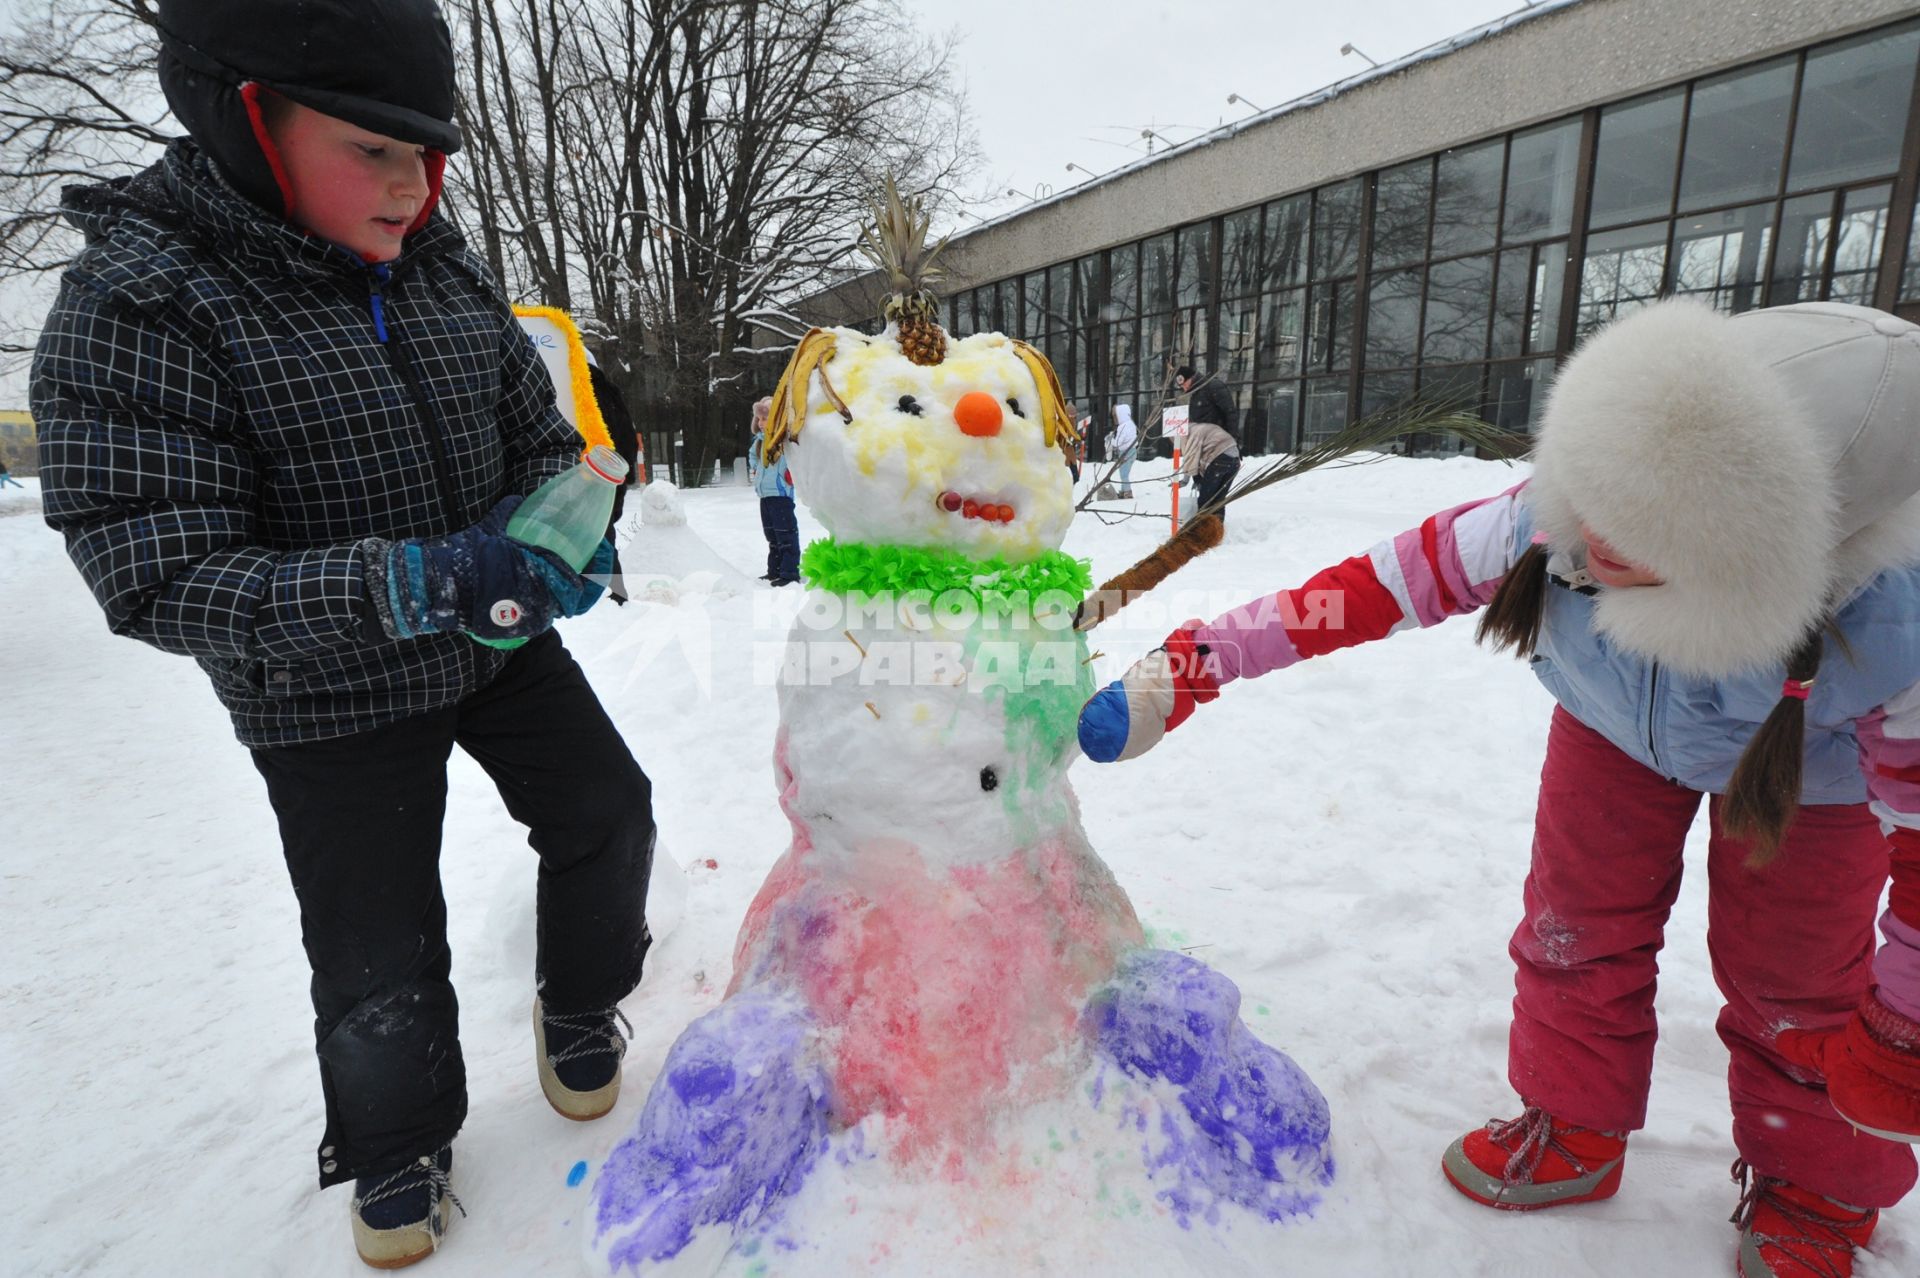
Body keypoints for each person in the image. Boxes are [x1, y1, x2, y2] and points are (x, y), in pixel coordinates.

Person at [1080, 300, 1920, 1278]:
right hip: (1612, 733)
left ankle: (1817, 1178)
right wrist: (1195, 664)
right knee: (1574, 929)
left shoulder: (1890, 629)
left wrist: (1901, 1034)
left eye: (1650, 525)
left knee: (1796, 981)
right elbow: (1371, 588)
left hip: (1809, 781)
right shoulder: (1554, 515)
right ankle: (1573, 1114)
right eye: (1600, 489)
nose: (1594, 534)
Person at [31, 0, 656, 1267]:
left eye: (430, 154)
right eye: (373, 147)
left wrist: (568, 530)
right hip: (318, 691)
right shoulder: (140, 300)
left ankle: (581, 1001)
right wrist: (415, 583)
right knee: (376, 947)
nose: (412, 186)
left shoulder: (440, 261)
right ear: (246, 116)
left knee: (609, 808)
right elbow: (160, 571)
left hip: (491, 639)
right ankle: (396, 1139)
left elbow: (534, 435)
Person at [748, 395, 800, 585]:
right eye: (759, 419)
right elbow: (752, 456)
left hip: (781, 495)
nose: (761, 423)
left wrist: (789, 474)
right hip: (765, 495)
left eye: (765, 418)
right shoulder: (760, 441)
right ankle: (774, 570)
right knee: (772, 536)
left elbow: (796, 460)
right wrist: (756, 468)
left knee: (785, 534)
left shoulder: (784, 441)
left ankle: (789, 573)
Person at [1177, 412, 1241, 523]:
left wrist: (1188, 480)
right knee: (1219, 501)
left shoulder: (1189, 434)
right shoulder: (1202, 428)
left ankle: (1202, 532)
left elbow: (1190, 458)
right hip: (1234, 461)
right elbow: (1196, 457)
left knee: (1205, 501)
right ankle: (1217, 532)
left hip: (1220, 460)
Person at [1176, 363, 1237, 439]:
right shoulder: (1195, 394)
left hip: (1218, 439)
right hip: (1204, 441)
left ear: (1191, 378)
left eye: (1184, 384)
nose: (1184, 388)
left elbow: (1229, 413)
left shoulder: (1213, 386)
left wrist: (1231, 438)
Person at [1111, 402, 1138, 499]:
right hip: (1133, 451)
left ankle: (1127, 492)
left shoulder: (1123, 426)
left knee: (1123, 474)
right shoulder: (1131, 424)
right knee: (1125, 472)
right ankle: (1123, 491)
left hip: (1125, 452)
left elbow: (1118, 442)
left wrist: (1111, 441)